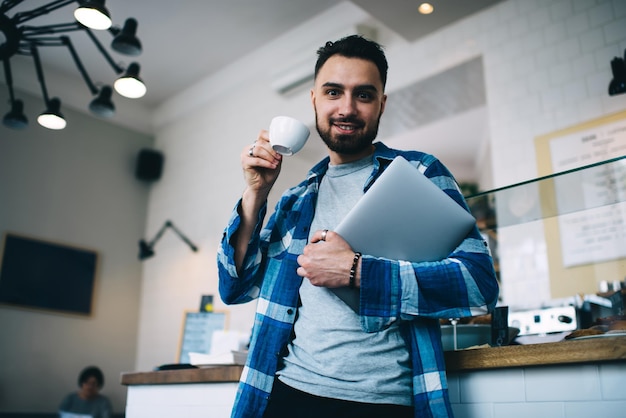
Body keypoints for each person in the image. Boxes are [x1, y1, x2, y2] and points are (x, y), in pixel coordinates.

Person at [217, 35, 499, 418]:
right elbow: (235, 286)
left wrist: (357, 271)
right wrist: (254, 196)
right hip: (287, 393)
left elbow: (478, 285)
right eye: (334, 92)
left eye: (363, 95)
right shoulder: (296, 200)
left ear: (382, 103)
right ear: (314, 99)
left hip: (383, 402)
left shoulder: (420, 173)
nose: (346, 108)